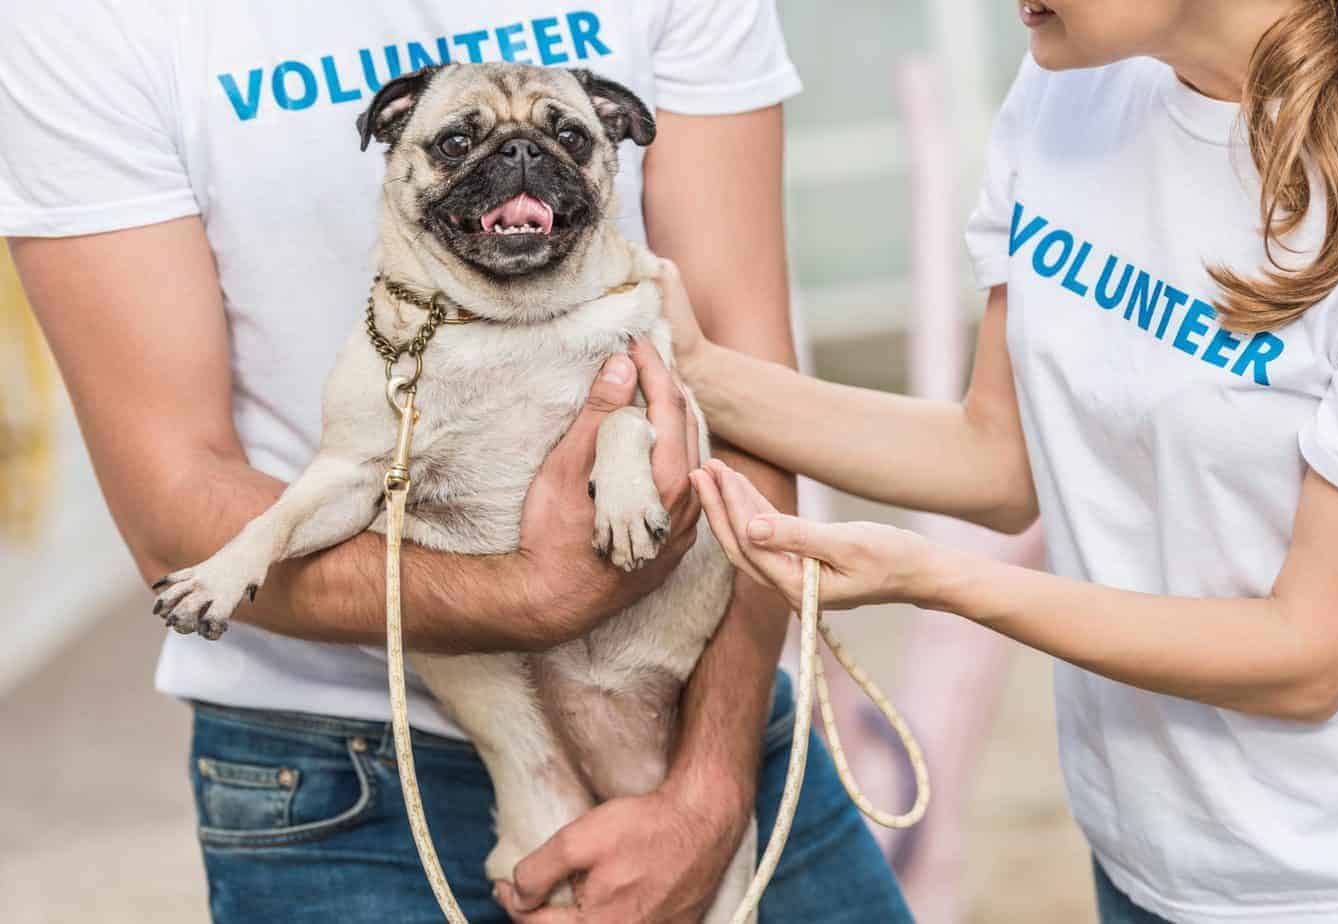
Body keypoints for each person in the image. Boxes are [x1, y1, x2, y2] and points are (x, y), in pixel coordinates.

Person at [0, 2, 911, 922]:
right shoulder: (89, 24)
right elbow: (172, 506)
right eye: (464, 145)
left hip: (707, 714)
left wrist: (710, 786)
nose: (516, 164)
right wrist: (535, 595)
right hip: (331, 767)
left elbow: (753, 400)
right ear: (394, 144)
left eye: (557, 139)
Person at [632, 1, 1338, 922]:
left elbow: (1308, 655)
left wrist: (931, 579)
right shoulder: (1071, 90)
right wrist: (697, 368)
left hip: (1337, 883)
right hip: (1141, 860)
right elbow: (997, 458)